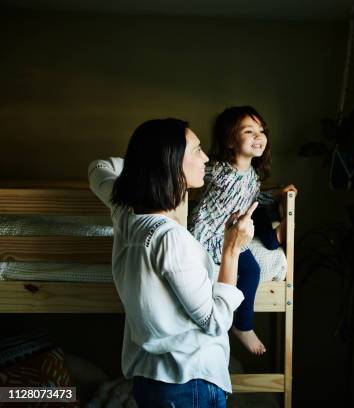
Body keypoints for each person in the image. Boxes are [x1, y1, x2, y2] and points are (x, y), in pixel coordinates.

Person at [88, 118, 256, 408]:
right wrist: (232, 248)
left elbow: (97, 169)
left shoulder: (125, 212)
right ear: (171, 162)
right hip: (187, 384)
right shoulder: (170, 239)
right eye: (197, 150)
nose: (206, 157)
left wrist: (145, 163)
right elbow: (215, 322)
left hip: (154, 381)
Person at [189, 106, 296, 355]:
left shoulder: (252, 175)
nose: (259, 136)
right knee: (242, 272)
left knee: (253, 260)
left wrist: (278, 195)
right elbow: (185, 172)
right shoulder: (217, 170)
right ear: (229, 140)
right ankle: (241, 326)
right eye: (249, 131)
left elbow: (254, 197)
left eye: (261, 130)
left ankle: (243, 324)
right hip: (209, 235)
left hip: (234, 233)